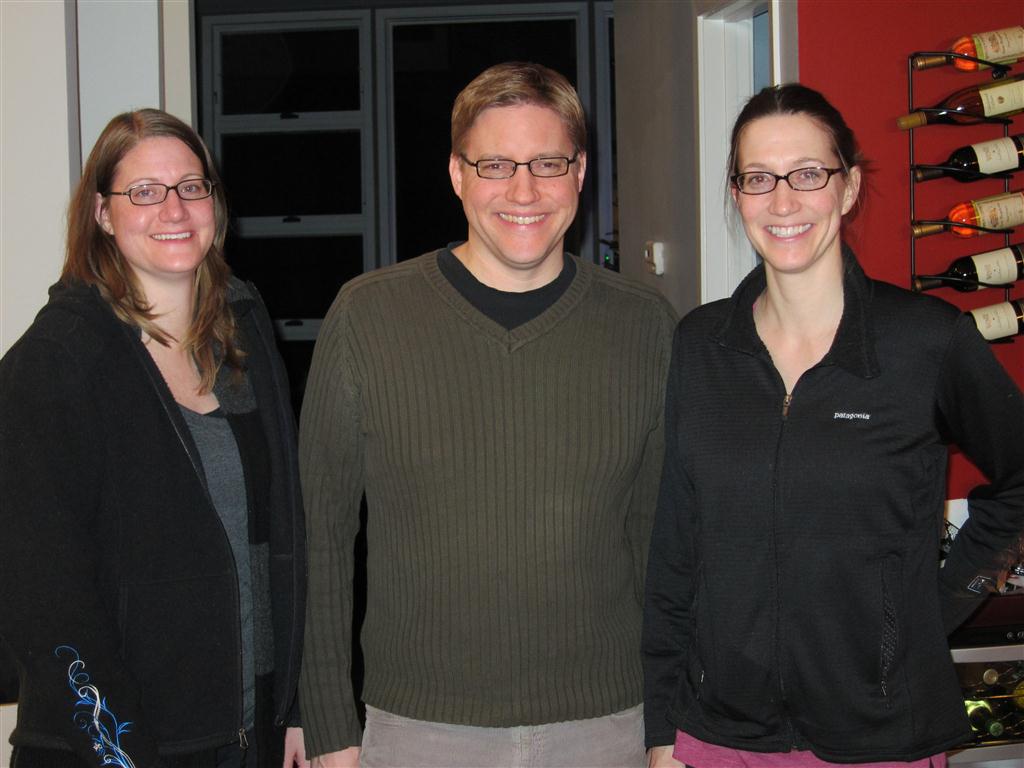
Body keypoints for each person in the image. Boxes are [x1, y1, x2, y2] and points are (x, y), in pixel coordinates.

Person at [299, 61, 676, 768]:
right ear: (456, 173)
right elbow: (321, 535)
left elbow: (663, 541)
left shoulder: (645, 325)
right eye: (495, 164)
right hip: (418, 730)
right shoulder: (368, 316)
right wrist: (328, 728)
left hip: (606, 728)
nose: (523, 191)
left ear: (580, 172)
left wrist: (668, 728)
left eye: (548, 163)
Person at [643, 83, 1024, 768]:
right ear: (737, 194)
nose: (783, 201)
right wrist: (663, 727)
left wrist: (932, 609)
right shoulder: (701, 346)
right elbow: (676, 545)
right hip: (720, 734)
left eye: (808, 174)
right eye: (759, 178)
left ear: (847, 188)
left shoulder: (925, 341)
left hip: (880, 737)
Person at [0, 109, 308, 768]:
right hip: (114, 752)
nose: (173, 208)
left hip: (244, 737)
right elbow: (42, 599)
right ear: (103, 214)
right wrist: (121, 754)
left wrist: (295, 707)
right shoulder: (56, 363)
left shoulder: (243, 335)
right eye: (143, 191)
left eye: (190, 186)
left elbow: (282, 537)